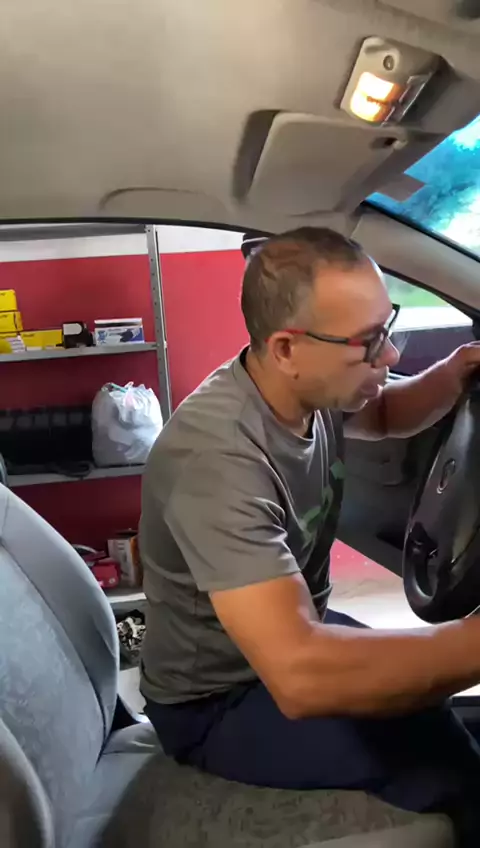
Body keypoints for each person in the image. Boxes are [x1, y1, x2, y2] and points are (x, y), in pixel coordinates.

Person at [139, 227, 480, 844]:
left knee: (432, 707)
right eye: (369, 342)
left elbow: (384, 411)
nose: (390, 355)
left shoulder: (307, 389)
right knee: (446, 771)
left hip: (289, 643)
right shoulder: (217, 458)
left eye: (387, 327)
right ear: (287, 348)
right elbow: (301, 674)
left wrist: (457, 371)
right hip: (217, 701)